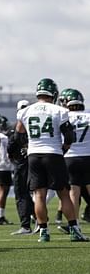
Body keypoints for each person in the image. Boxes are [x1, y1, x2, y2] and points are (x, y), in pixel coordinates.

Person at [15, 78, 88, 242]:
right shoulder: (58, 110)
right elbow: (69, 135)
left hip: (34, 155)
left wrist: (28, 146)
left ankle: (43, 231)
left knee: (39, 195)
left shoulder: (26, 111)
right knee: (63, 194)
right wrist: (65, 147)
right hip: (53, 153)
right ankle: (74, 229)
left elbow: (18, 134)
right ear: (53, 94)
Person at [8, 99, 36, 235]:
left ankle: (26, 225)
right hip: (37, 160)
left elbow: (11, 145)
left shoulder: (17, 126)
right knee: (37, 193)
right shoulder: (35, 122)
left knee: (21, 193)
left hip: (22, 163)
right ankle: (40, 221)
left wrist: (12, 156)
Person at [63, 89, 90, 228]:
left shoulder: (64, 116)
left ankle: (75, 224)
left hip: (70, 157)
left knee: (74, 191)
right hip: (88, 156)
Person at [0, 115, 15, 225]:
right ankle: (0, 216)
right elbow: (7, 153)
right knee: (3, 192)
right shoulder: (4, 138)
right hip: (3, 166)